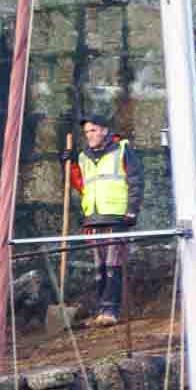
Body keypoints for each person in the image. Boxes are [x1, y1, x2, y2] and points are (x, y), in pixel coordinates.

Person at [68, 111, 143, 326]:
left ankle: (110, 311)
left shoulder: (122, 149)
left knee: (113, 265)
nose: (89, 135)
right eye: (86, 132)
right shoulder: (84, 157)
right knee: (99, 268)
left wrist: (132, 210)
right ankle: (102, 310)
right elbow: (81, 183)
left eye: (92, 130)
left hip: (116, 216)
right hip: (93, 217)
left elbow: (135, 180)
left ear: (104, 130)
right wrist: (69, 165)